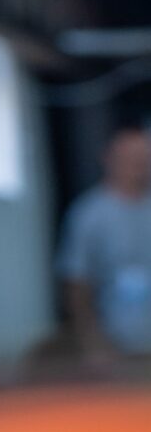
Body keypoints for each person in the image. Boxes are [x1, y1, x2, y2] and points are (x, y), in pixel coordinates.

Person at [57, 124, 151, 363]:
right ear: (109, 158)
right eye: (129, 157)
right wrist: (92, 342)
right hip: (114, 345)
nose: (137, 165)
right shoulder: (89, 213)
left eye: (143, 157)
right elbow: (76, 283)